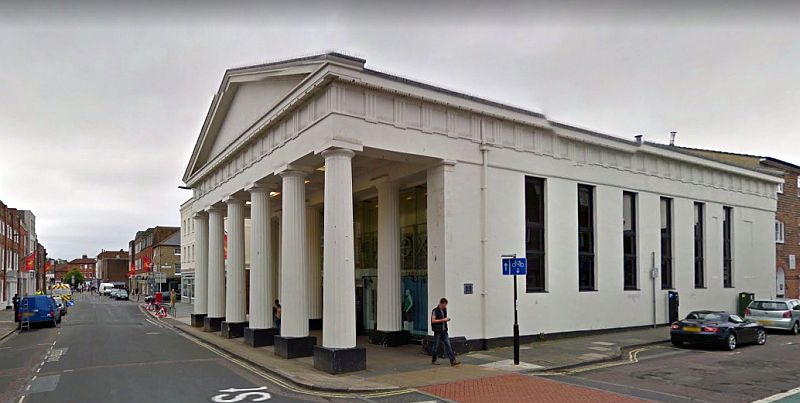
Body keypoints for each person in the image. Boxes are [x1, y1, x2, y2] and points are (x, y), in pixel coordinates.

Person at [431, 297, 460, 366]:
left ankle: (453, 361)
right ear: (441, 303)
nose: (445, 306)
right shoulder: (435, 311)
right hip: (438, 331)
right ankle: (434, 360)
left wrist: (445, 320)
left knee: (448, 345)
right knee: (436, 346)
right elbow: (433, 320)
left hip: (444, 331)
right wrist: (444, 320)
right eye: (445, 304)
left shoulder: (444, 310)